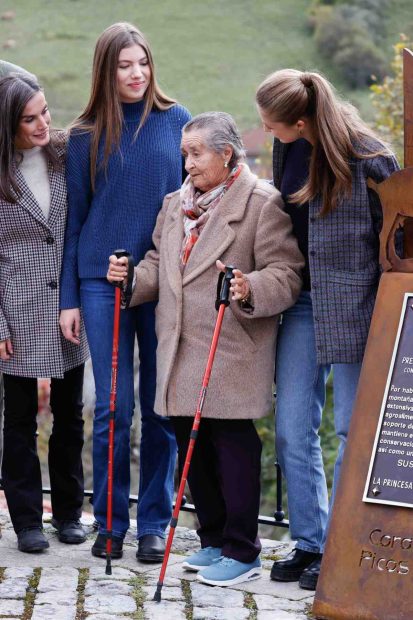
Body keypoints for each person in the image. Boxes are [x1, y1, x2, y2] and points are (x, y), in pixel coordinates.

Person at [108, 111, 304, 586]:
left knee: (230, 443)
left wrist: (248, 286)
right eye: (185, 154)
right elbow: (160, 260)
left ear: (226, 154)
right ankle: (214, 540)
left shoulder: (261, 203)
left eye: (196, 154)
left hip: (230, 345)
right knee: (188, 440)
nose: (188, 164)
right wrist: (134, 278)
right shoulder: (176, 202)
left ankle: (243, 550)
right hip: (178, 344)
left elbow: (287, 271)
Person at [255, 68, 400, 590]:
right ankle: (310, 541)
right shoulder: (287, 150)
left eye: (272, 124)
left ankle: (340, 546)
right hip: (300, 305)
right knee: (294, 430)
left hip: (360, 309)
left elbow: (401, 238)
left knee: (350, 433)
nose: (267, 131)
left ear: (299, 120)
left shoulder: (369, 157)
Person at [59, 22, 191, 562]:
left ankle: (154, 523)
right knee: (113, 406)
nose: (136, 74)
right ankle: (110, 523)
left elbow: (194, 203)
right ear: (105, 70)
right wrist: (69, 296)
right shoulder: (84, 136)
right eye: (124, 65)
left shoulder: (177, 121)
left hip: (162, 281)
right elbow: (76, 220)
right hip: (100, 282)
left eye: (143, 63)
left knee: (161, 406)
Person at [0, 74, 89, 553]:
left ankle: (70, 514)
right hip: (15, 312)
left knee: (69, 415)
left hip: (67, 306)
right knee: (18, 420)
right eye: (29, 118)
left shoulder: (65, 152)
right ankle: (27, 522)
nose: (42, 124)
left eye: (46, 112)